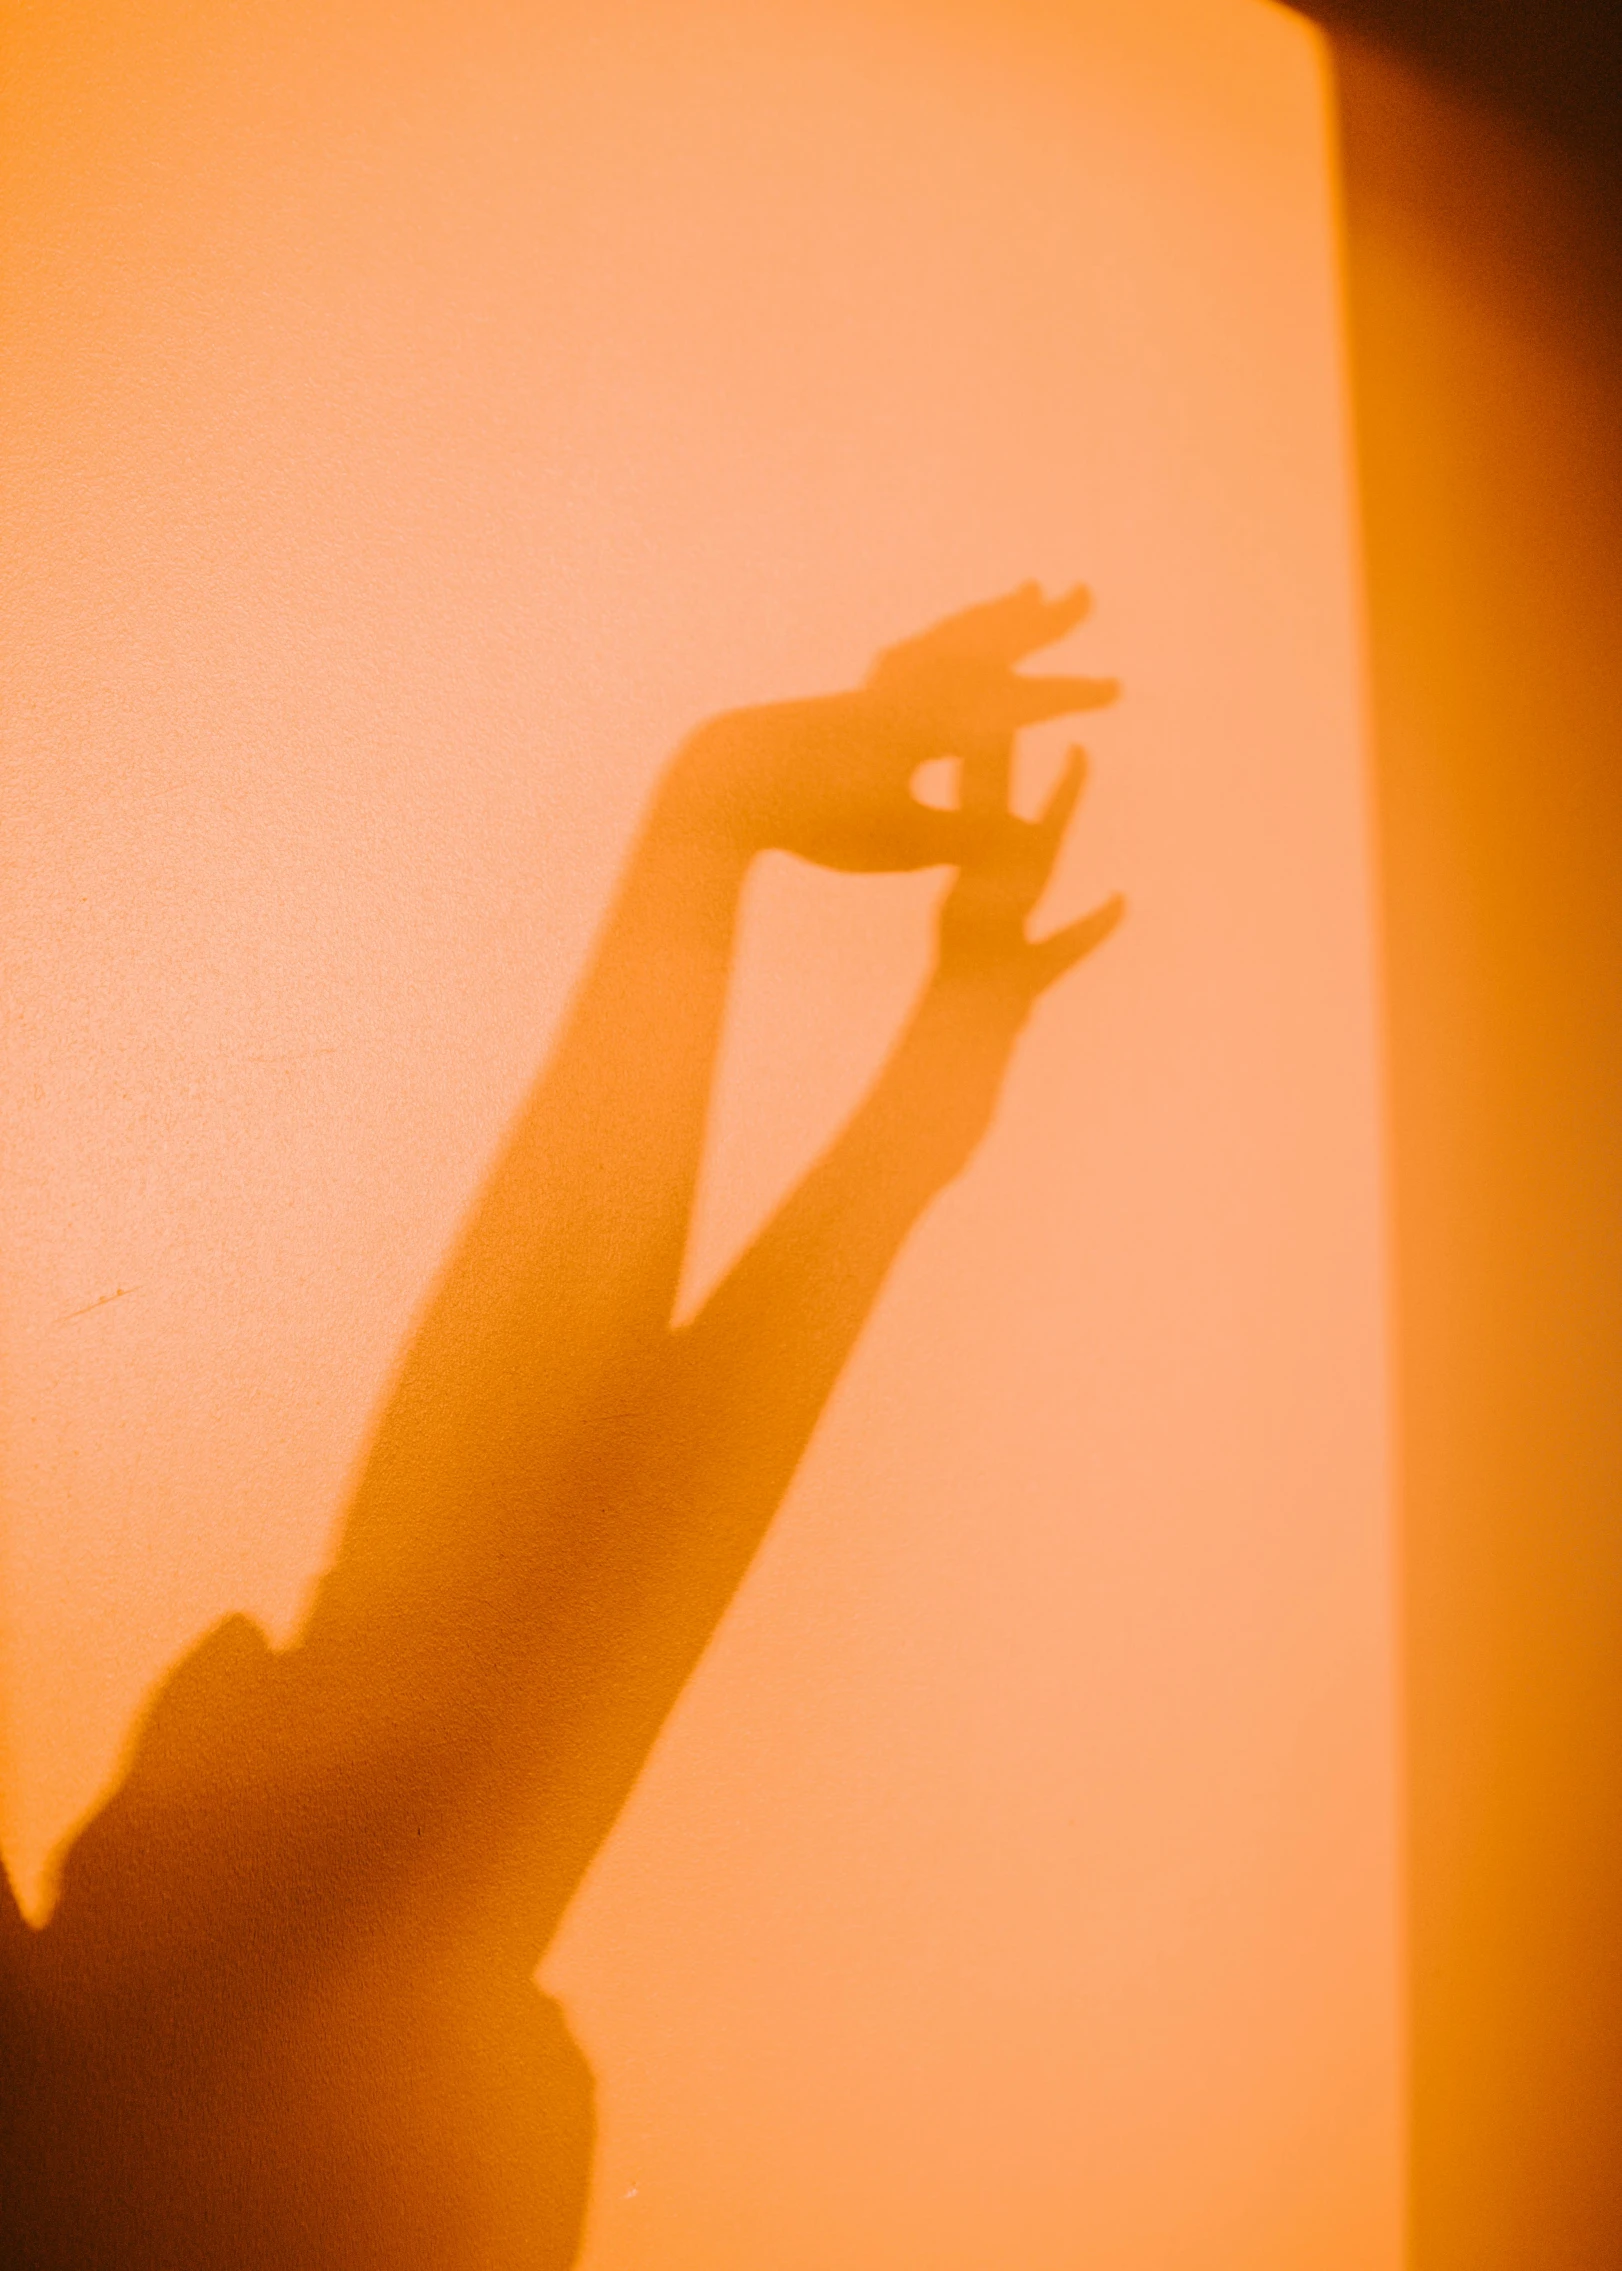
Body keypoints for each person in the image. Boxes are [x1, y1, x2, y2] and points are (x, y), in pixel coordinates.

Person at [0, 585, 1121, 2268]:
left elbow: (493, 1669)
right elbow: (501, 1664)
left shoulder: (163, 2097)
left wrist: (725, 880)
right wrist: (717, 880)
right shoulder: (205, 2097)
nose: (228, 1671)